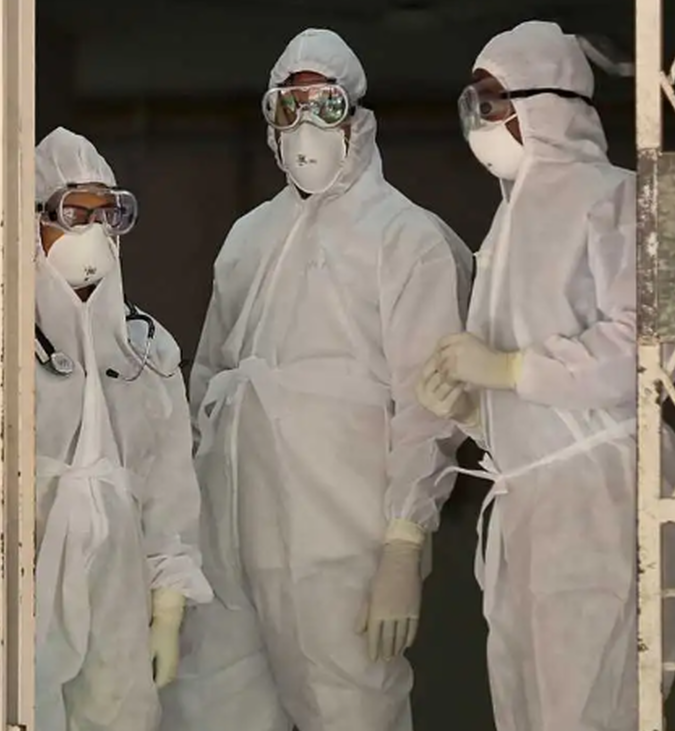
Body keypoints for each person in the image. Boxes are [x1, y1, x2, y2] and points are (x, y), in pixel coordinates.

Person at [160, 28, 474, 731]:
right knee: (207, 708)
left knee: (349, 710)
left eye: (324, 106)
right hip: (228, 531)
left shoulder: (407, 238)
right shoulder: (248, 239)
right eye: (287, 107)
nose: (304, 127)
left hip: (341, 540)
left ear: (356, 116)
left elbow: (432, 406)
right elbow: (206, 382)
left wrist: (402, 540)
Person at [415, 21, 675, 731]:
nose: (478, 121)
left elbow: (646, 344)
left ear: (545, 102)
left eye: (491, 101)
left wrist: (515, 368)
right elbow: (514, 385)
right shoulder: (508, 221)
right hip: (532, 503)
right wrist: (470, 407)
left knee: (593, 709)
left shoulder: (613, 197)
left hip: (598, 498)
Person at [0, 128, 212, 731]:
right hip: (19, 568)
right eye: (73, 212)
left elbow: (170, 482)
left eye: (106, 214)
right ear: (32, 219)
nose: (91, 231)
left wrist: (168, 600)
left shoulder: (144, 345)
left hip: (115, 589)